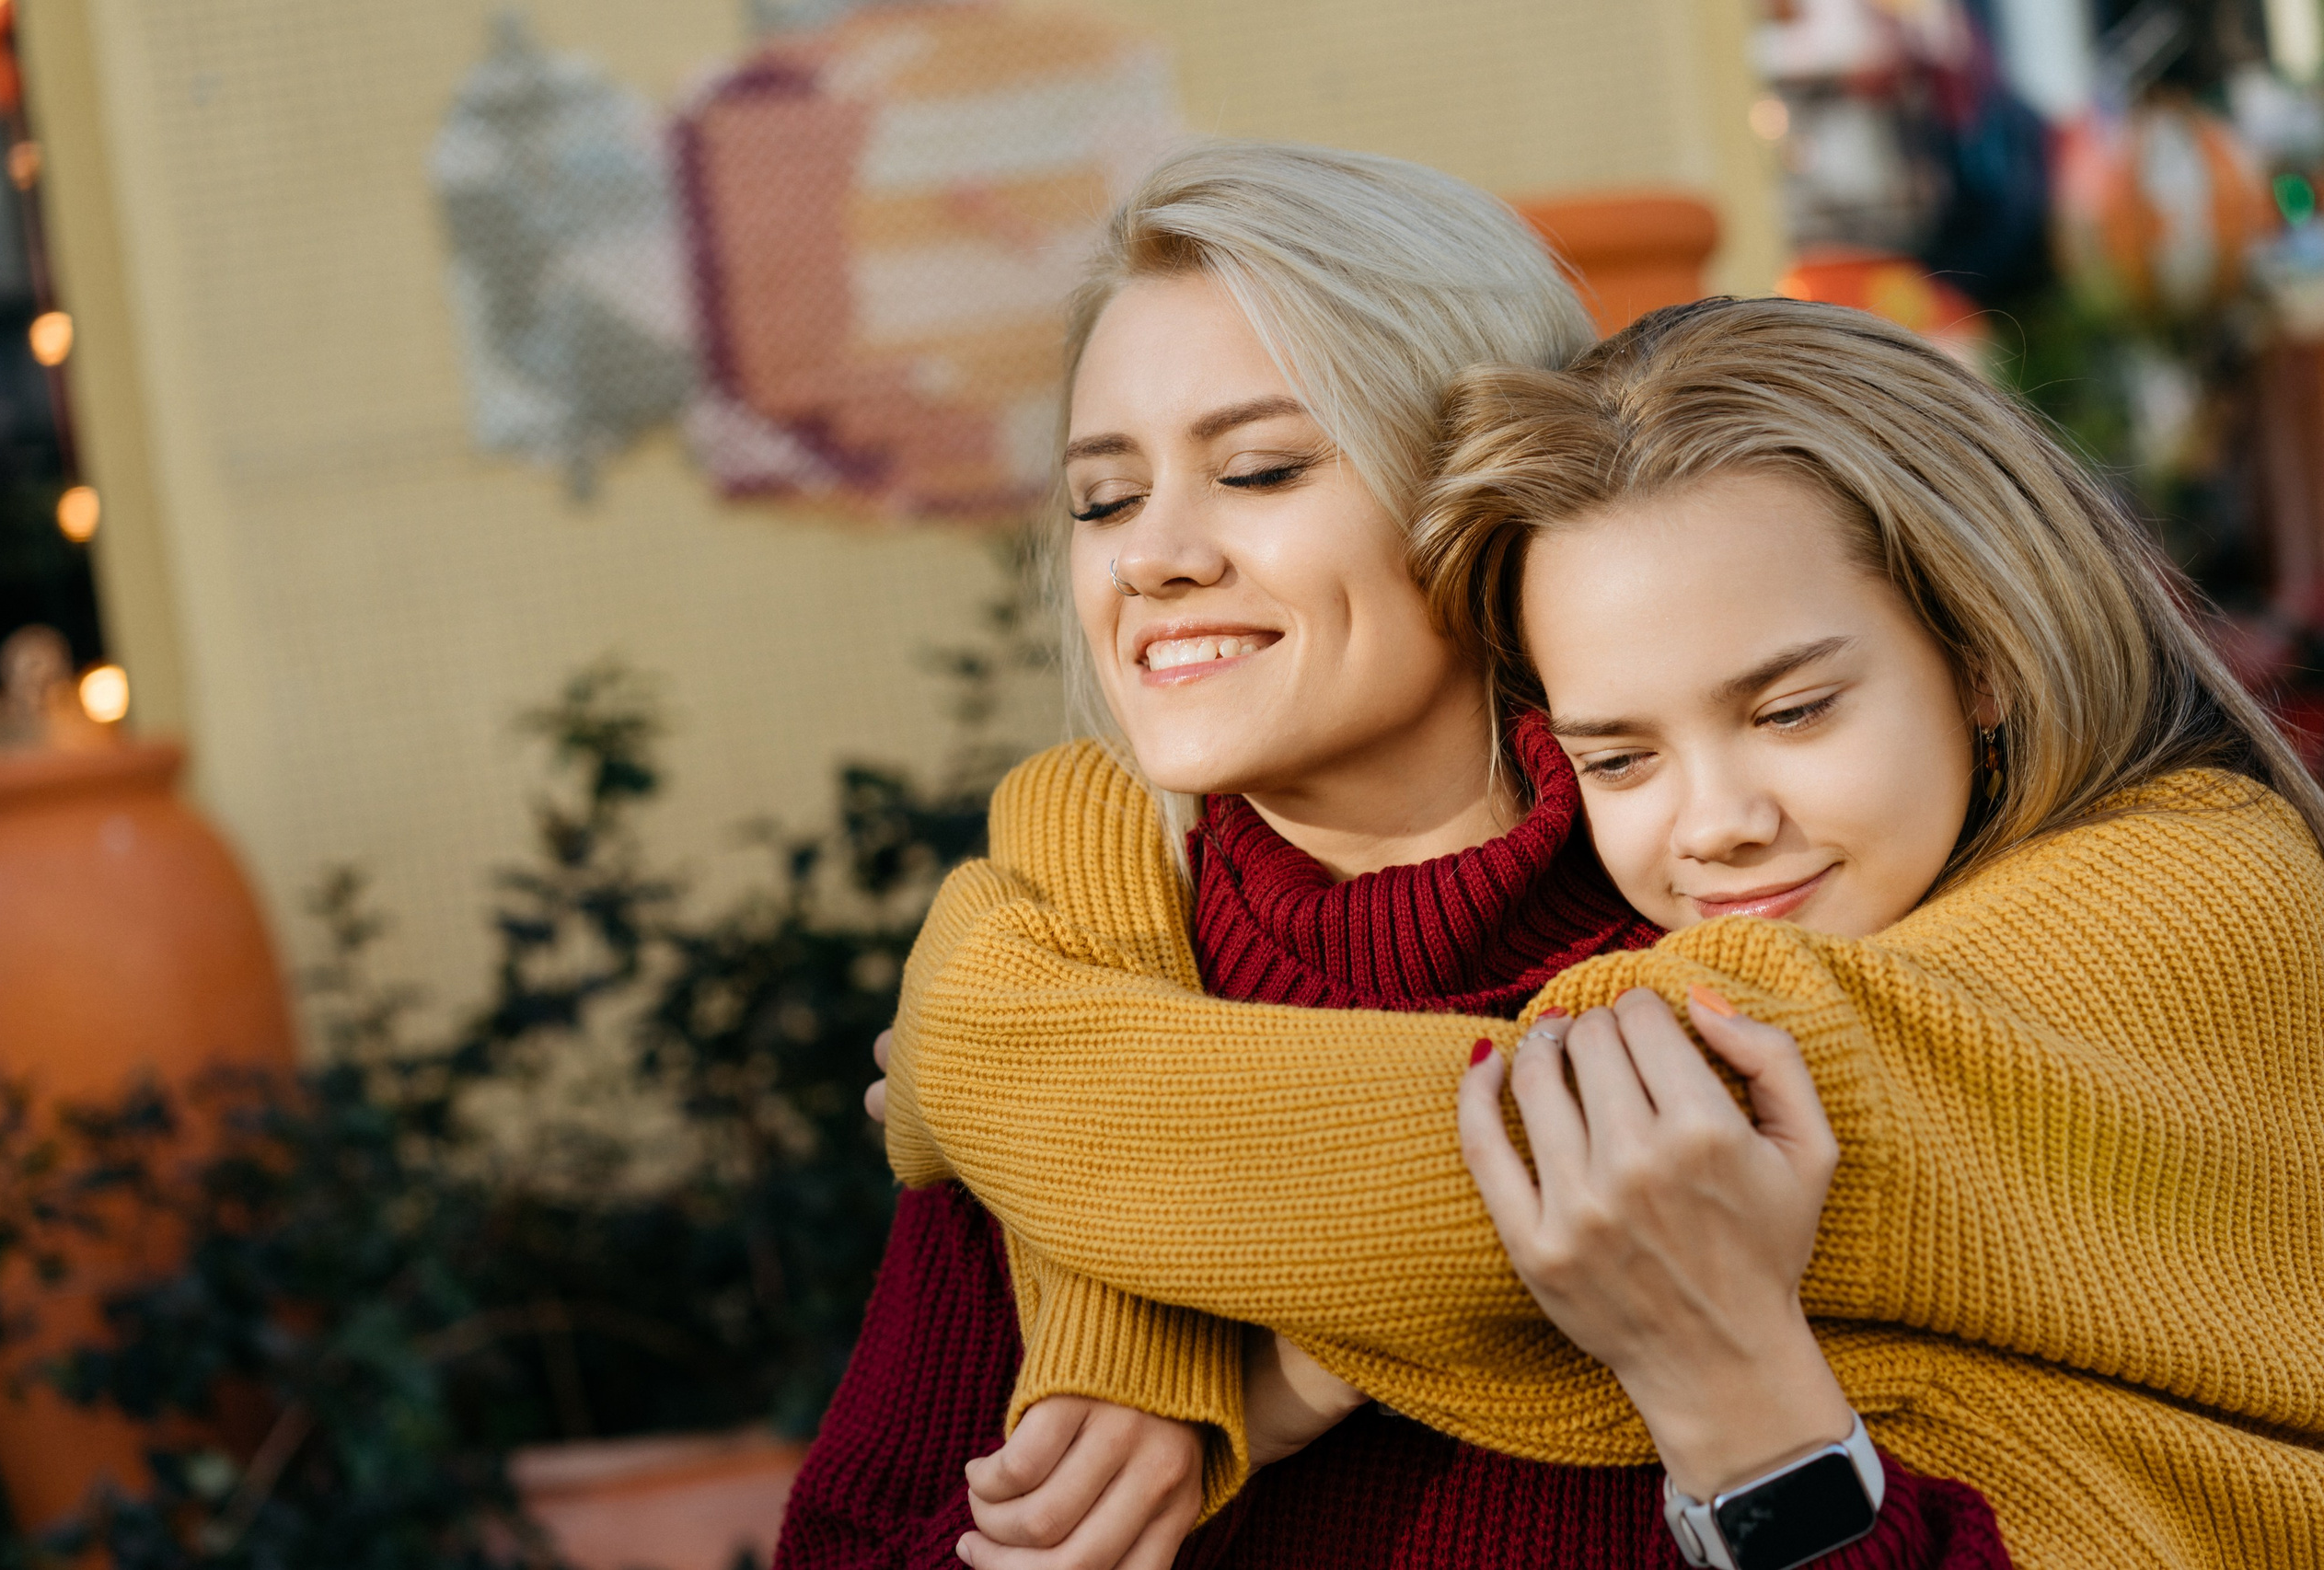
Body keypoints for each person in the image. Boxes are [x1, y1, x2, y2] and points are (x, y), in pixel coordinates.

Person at [883, 297, 2324, 1568]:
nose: (1719, 822)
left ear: (1987, 657)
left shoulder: (2194, 890)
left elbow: (1521, 1152)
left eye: (1794, 708)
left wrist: (977, 1032)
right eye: (1622, 757)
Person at [781, 143, 2006, 1570]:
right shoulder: (1059, 1016)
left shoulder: (1773, 934)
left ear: (1481, 493)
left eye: (1259, 468)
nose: (1152, 556)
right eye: (1104, 498)